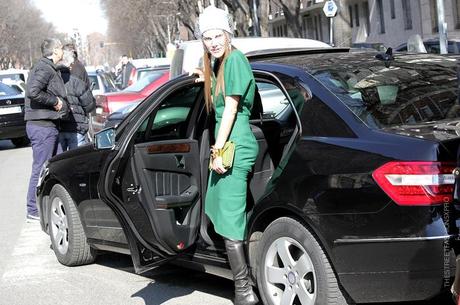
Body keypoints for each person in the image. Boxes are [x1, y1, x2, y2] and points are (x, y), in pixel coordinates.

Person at [195, 6, 259, 305]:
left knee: (231, 219)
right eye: (207, 37)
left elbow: (231, 109)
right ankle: (244, 281)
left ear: (228, 33)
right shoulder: (219, 65)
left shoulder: (235, 60)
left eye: (217, 35)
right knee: (221, 210)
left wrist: (218, 150)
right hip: (226, 144)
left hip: (235, 144)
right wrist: (201, 73)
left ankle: (245, 290)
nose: (213, 42)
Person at [24, 38, 67, 220]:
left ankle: (47, 205)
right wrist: (55, 101)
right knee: (41, 168)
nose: (63, 52)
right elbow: (33, 91)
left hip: (48, 125)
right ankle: (33, 209)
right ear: (56, 51)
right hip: (42, 127)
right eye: (61, 49)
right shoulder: (44, 68)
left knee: (54, 167)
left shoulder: (48, 68)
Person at [57, 45, 96, 150]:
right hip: (76, 127)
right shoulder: (76, 81)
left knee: (60, 162)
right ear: (69, 64)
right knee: (77, 161)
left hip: (58, 127)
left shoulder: (51, 82)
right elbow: (89, 105)